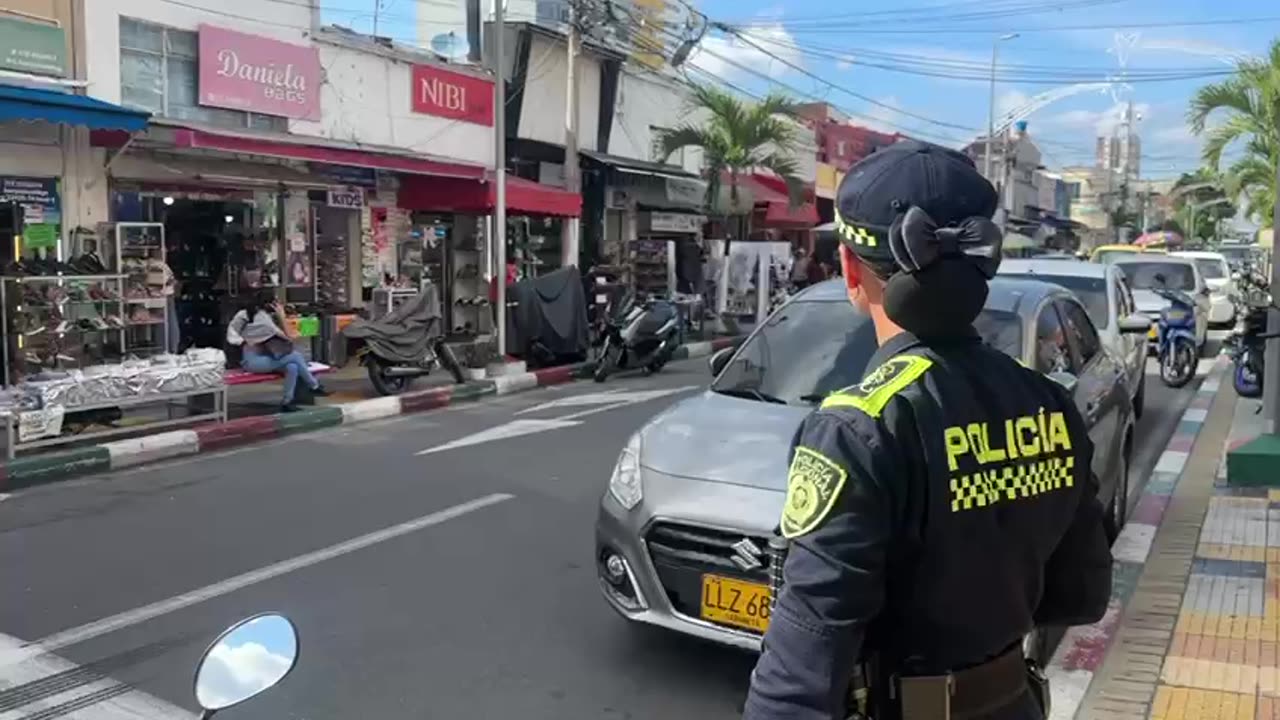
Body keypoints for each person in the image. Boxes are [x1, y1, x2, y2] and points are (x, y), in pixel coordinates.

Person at [744, 141, 1112, 720]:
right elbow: (1083, 595)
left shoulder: (858, 428)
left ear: (850, 270)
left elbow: (797, 680)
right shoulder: (1048, 403)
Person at [225, 293, 328, 412]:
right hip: (253, 361)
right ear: (270, 304)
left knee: (292, 367)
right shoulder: (260, 319)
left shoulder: (263, 317)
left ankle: (287, 402)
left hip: (268, 358)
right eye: (276, 302)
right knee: (295, 356)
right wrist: (281, 316)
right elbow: (289, 336)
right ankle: (313, 385)